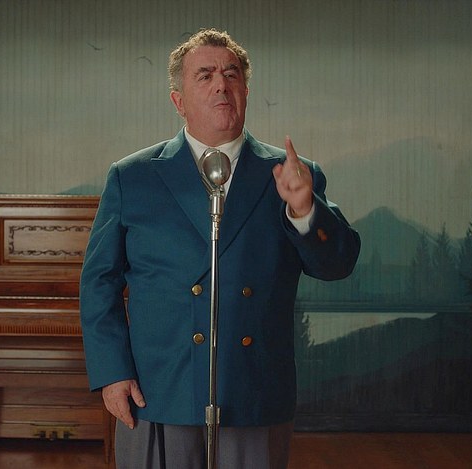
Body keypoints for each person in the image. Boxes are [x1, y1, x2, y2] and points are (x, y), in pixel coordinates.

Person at [80, 28, 360, 469]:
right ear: (178, 100)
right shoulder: (132, 177)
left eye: (231, 75)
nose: (221, 85)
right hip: (158, 389)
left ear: (245, 91)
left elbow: (337, 264)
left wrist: (305, 209)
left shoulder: (291, 174)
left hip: (253, 390)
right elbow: (99, 283)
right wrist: (113, 371)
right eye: (205, 75)